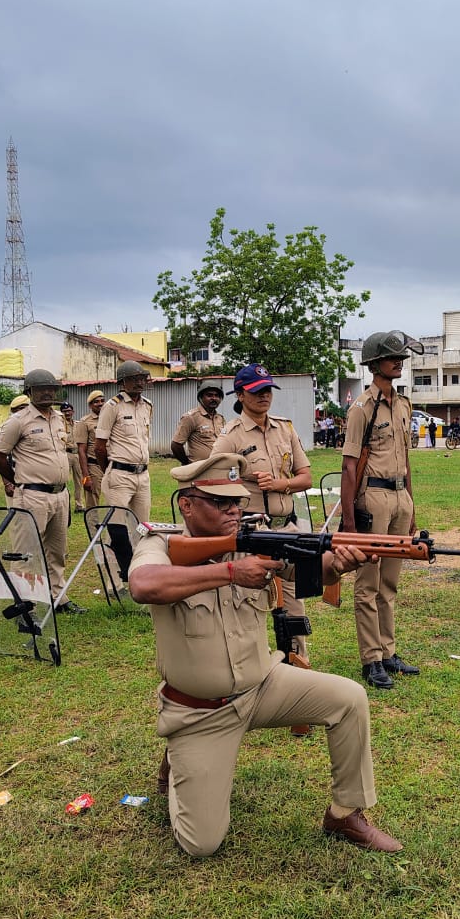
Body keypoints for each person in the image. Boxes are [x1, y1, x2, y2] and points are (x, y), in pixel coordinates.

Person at [128, 452, 401, 856]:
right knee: (201, 844)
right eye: (220, 502)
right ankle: (178, 755)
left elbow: (314, 569)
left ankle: (345, 813)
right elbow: (144, 586)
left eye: (237, 502)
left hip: (263, 685)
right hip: (201, 712)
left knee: (349, 699)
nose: (234, 511)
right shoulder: (160, 544)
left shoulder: (256, 538)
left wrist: (340, 563)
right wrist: (229, 572)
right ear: (186, 504)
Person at [212, 365, 312, 660]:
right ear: (240, 395)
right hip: (252, 530)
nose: (263, 395)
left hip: (287, 528)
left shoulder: (285, 428)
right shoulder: (231, 436)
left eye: (267, 389)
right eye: (256, 391)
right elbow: (212, 481)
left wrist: (279, 484)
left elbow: (305, 477)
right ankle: (248, 665)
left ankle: (298, 662)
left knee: (294, 604)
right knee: (248, 602)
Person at [340, 331, 421, 688]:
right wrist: (349, 523)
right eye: (392, 357)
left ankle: (388, 651)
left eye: (401, 357)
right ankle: (371, 658)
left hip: (400, 496)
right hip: (372, 497)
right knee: (367, 583)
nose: (399, 362)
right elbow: (349, 465)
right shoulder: (362, 408)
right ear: (374, 364)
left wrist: (412, 505)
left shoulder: (403, 405)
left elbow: (406, 460)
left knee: (389, 582)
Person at [0, 369, 85, 616]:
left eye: (51, 388)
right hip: (32, 496)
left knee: (57, 551)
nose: (47, 393)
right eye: (41, 389)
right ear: (29, 391)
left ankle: (57, 597)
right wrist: (17, 479)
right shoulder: (18, 421)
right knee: (26, 553)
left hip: (60, 495)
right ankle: (24, 605)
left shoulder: (58, 418)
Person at [94, 361, 153, 582]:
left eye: (142, 378)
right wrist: (110, 470)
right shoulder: (112, 406)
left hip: (142, 475)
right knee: (117, 528)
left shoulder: (147, 405)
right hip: (119, 473)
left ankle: (141, 571)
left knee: (143, 527)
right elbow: (100, 446)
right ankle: (121, 576)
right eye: (134, 379)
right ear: (122, 382)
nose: (139, 382)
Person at [170, 380, 225, 465]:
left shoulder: (220, 419)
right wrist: (187, 463)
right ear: (201, 398)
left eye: (217, 395)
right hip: (199, 469)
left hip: (219, 467)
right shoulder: (191, 417)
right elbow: (176, 445)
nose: (214, 398)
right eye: (209, 395)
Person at [74, 389, 105, 510]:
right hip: (94, 466)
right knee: (93, 503)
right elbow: (81, 450)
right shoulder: (84, 422)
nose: (100, 403)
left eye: (102, 400)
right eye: (96, 401)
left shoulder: (110, 419)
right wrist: (86, 477)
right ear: (90, 405)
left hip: (111, 465)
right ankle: (93, 523)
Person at [59, 402, 85, 512]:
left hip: (77, 454)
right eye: (64, 411)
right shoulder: (60, 426)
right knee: (63, 480)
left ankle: (79, 505)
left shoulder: (78, 424)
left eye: (69, 411)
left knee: (79, 481)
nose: (67, 413)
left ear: (73, 412)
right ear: (61, 413)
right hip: (66, 454)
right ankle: (65, 505)